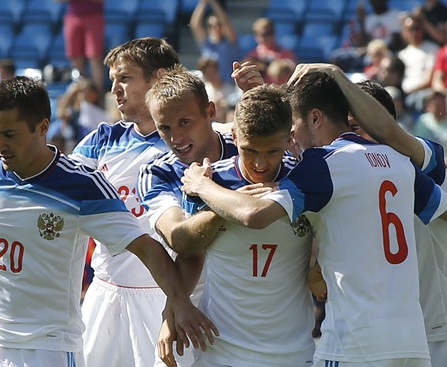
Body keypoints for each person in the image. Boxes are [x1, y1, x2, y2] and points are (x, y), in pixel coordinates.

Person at [0, 75, 216, 366]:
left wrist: (180, 303)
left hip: (47, 347)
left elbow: (146, 247)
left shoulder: (82, 186)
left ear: (42, 127)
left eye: (10, 134)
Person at [181, 63, 447, 367]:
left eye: (293, 124)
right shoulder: (400, 162)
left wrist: (201, 185)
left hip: (354, 345)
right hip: (413, 342)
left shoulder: (324, 164)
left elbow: (254, 214)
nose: (291, 135)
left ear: (315, 117)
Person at [176, 84, 315, 366]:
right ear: (235, 136)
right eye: (250, 150)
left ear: (289, 139)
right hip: (220, 350)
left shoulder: (307, 180)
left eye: (272, 151)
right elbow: (187, 249)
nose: (261, 164)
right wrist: (173, 309)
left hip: (291, 352)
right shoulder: (211, 180)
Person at [138, 62, 263, 366]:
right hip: (192, 308)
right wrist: (173, 309)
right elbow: (181, 240)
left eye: (184, 122)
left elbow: (295, 149)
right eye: (164, 128)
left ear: (210, 113)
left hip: (260, 308)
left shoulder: (248, 149)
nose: (175, 137)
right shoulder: (157, 172)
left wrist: (260, 96)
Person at [69, 37, 180, 367]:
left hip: (167, 296)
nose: (114, 88)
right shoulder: (102, 140)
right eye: (113, 79)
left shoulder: (191, 144)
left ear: (158, 79)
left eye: (125, 78)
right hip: (104, 293)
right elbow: (59, 189)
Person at [331, 79, 447, 367]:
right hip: (381, 334)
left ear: (387, 122)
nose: (351, 138)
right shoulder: (345, 171)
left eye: (357, 127)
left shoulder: (421, 160)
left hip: (436, 330)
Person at [59, 0, 105, 97]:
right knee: (75, 59)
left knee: (94, 57)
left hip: (94, 16)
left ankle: (98, 98)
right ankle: (80, 98)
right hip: (73, 16)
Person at [190, 0, 239, 86]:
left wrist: (213, 2)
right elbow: (195, 25)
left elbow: (225, 20)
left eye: (218, 24)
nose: (215, 28)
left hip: (228, 89)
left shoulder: (230, 43)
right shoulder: (207, 43)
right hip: (210, 87)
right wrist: (203, 3)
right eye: (210, 25)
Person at [398, 14, 439, 112]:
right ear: (404, 32)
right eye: (409, 29)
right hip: (403, 96)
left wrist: (409, 91)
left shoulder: (432, 49)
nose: (413, 32)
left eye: (416, 28)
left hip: (423, 95)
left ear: (422, 30)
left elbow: (429, 80)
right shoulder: (401, 54)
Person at [243, 17, 296, 82]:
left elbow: (292, 70)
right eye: (264, 35)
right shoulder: (253, 56)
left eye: (270, 33)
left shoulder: (286, 53)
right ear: (257, 36)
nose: (268, 37)